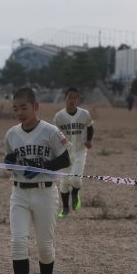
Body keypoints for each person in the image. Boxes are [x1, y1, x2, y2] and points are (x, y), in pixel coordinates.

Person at [1, 88, 72, 274]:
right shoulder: (12, 134)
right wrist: (9, 162)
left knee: (44, 246)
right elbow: (9, 161)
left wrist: (42, 165)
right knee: (18, 241)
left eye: (24, 107)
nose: (19, 113)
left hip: (45, 192)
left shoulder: (50, 131)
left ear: (36, 106)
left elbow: (65, 160)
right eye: (15, 109)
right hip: (20, 193)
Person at [52, 88, 94, 217]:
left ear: (78, 99)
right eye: (69, 97)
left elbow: (90, 127)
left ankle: (75, 192)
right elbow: (54, 133)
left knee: (75, 179)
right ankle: (65, 208)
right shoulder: (59, 116)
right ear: (65, 98)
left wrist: (89, 140)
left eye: (74, 97)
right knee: (64, 182)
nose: (72, 100)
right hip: (64, 153)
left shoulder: (84, 114)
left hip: (80, 151)